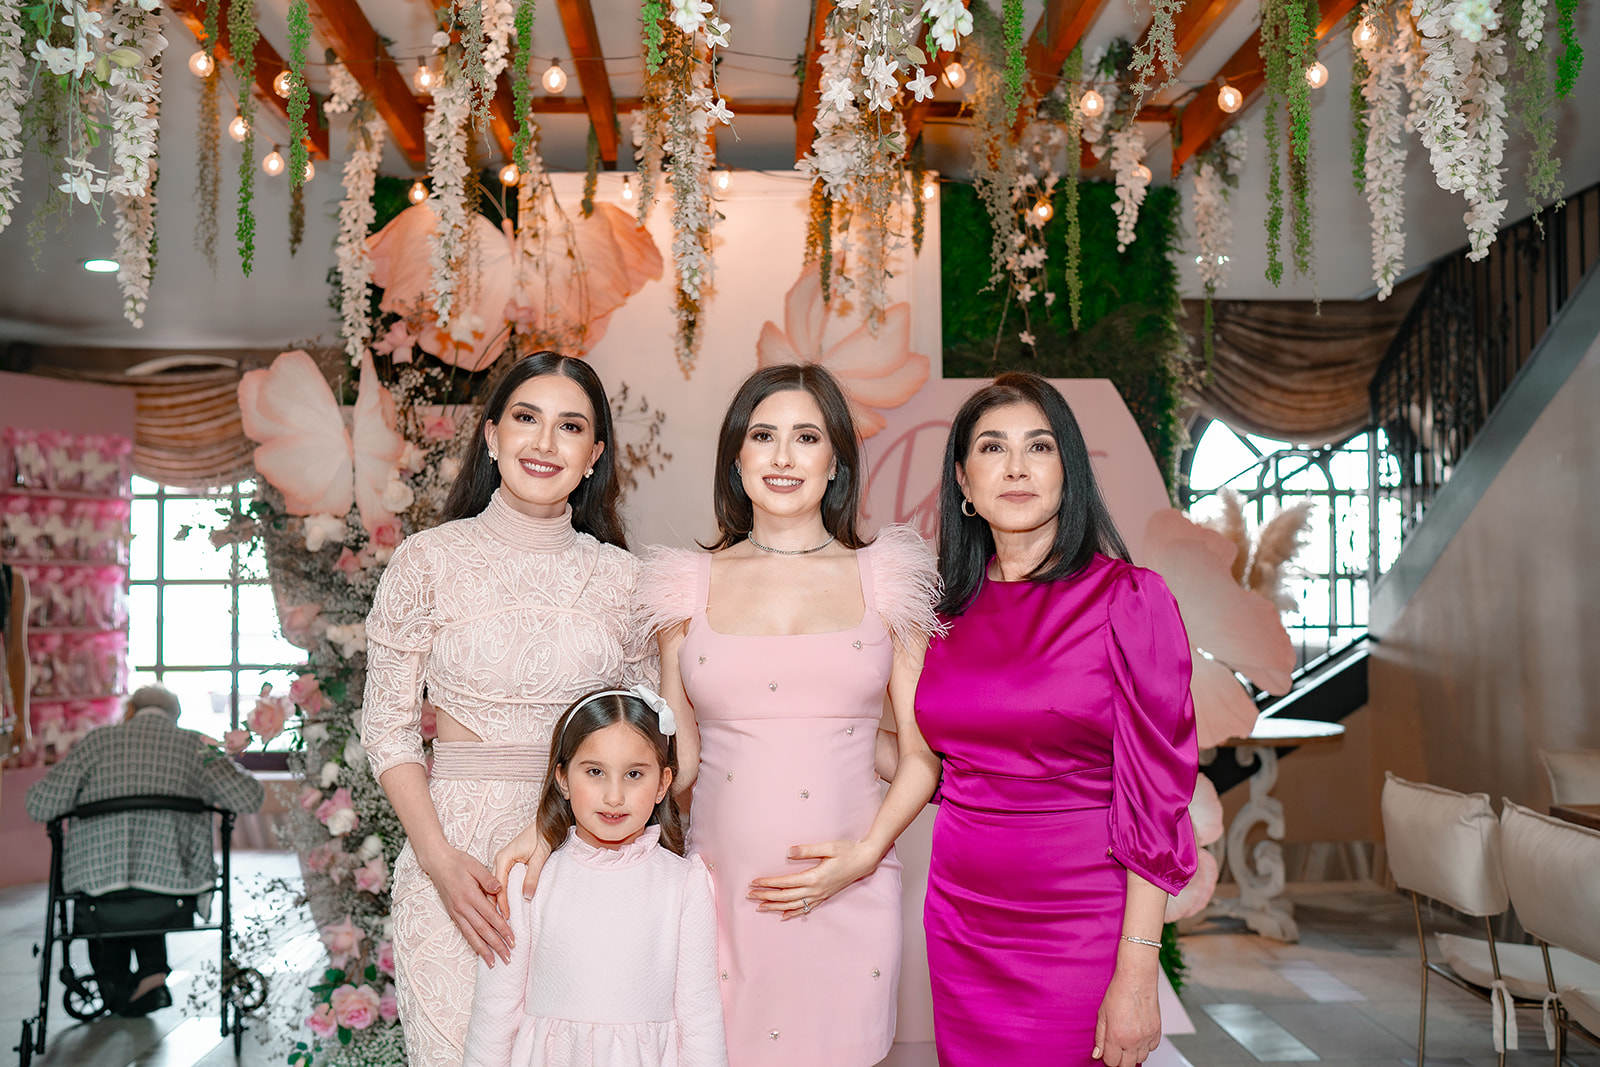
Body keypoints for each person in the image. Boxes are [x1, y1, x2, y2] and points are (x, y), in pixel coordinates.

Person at [630, 364, 943, 1065]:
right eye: (762, 435)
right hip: (719, 894)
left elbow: (921, 754)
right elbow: (677, 764)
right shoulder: (683, 588)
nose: (782, 456)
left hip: (852, 888)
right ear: (736, 458)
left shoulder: (887, 580)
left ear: (835, 462)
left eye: (806, 437)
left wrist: (864, 855)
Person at [361, 352, 657, 1066]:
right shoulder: (427, 561)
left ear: (594, 455)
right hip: (454, 865)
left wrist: (564, 829)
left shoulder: (626, 580)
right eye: (527, 418)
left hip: (587, 858)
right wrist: (438, 861)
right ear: (492, 435)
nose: (545, 442)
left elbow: (650, 740)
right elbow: (387, 730)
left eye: (570, 426)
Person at [914, 372, 1198, 1067]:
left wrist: (1138, 970)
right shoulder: (939, 616)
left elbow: (1157, 799)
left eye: (1039, 446)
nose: (1016, 467)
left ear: (1068, 472)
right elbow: (935, 766)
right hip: (960, 916)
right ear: (963, 481)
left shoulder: (1129, 599)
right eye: (992, 447)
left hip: (1080, 919)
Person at [462, 688, 726, 1067]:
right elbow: (495, 1012)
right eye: (595, 772)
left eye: (634, 774)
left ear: (663, 784)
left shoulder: (683, 884)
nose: (614, 796)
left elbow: (700, 1018)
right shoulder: (529, 880)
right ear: (563, 779)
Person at [24, 684, 265, 1016]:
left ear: (130, 711)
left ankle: (119, 986)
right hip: (174, 887)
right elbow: (250, 798)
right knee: (149, 887)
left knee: (116, 893)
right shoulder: (194, 745)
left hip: (98, 885)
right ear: (175, 716)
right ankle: (150, 975)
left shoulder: (98, 742)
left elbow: (39, 805)